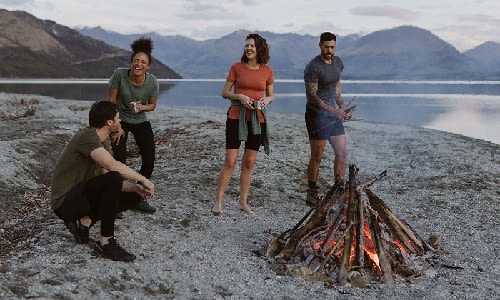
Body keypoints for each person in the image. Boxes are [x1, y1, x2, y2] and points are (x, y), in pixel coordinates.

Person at [50, 101, 155, 262]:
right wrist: (143, 179)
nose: (120, 122)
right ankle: (106, 242)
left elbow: (107, 179)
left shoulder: (103, 141)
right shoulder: (87, 137)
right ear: (109, 122)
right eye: (118, 119)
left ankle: (85, 222)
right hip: (64, 203)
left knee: (134, 194)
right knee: (115, 176)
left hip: (81, 195)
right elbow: (112, 166)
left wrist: (135, 187)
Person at [212, 33, 275, 217]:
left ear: (259, 49)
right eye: (247, 45)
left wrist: (267, 100)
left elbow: (272, 95)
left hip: (257, 119)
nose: (248, 48)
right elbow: (224, 93)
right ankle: (218, 202)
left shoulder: (267, 71)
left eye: (252, 46)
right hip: (235, 117)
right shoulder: (236, 67)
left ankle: (243, 203)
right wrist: (238, 96)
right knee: (230, 160)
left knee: (248, 162)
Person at [108, 36, 159, 214]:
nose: (139, 64)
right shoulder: (119, 74)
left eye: (143, 62)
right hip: (119, 118)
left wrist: (143, 106)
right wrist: (117, 126)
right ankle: (116, 200)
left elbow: (152, 105)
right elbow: (111, 102)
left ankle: (137, 197)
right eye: (136, 60)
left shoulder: (152, 82)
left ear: (148, 66)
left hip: (140, 120)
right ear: (131, 63)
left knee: (149, 159)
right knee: (119, 159)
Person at [303, 32, 352, 207]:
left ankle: (338, 189)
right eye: (326, 47)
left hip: (334, 114)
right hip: (316, 116)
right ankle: (312, 194)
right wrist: (332, 110)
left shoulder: (338, 62)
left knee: (342, 152)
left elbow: (336, 89)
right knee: (317, 156)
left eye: (332, 47)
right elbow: (312, 96)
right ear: (320, 45)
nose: (329, 50)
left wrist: (342, 107)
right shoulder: (313, 67)